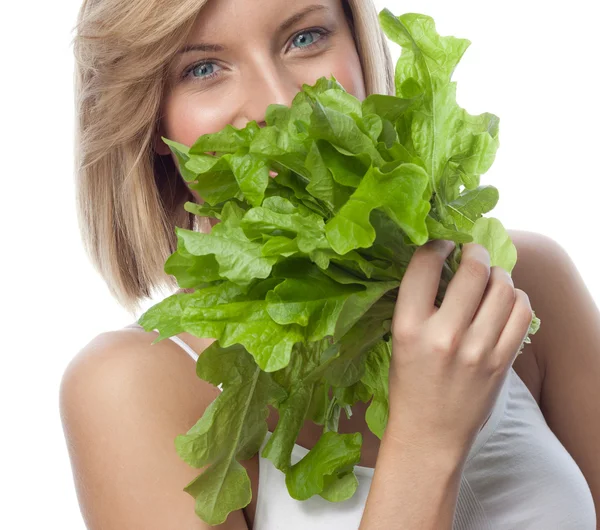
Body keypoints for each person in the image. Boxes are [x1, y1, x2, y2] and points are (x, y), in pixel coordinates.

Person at [59, 0, 597, 528]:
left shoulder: (528, 285)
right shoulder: (124, 388)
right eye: (203, 68)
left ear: (361, 48)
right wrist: (425, 444)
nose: (279, 102)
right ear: (152, 122)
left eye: (305, 37)